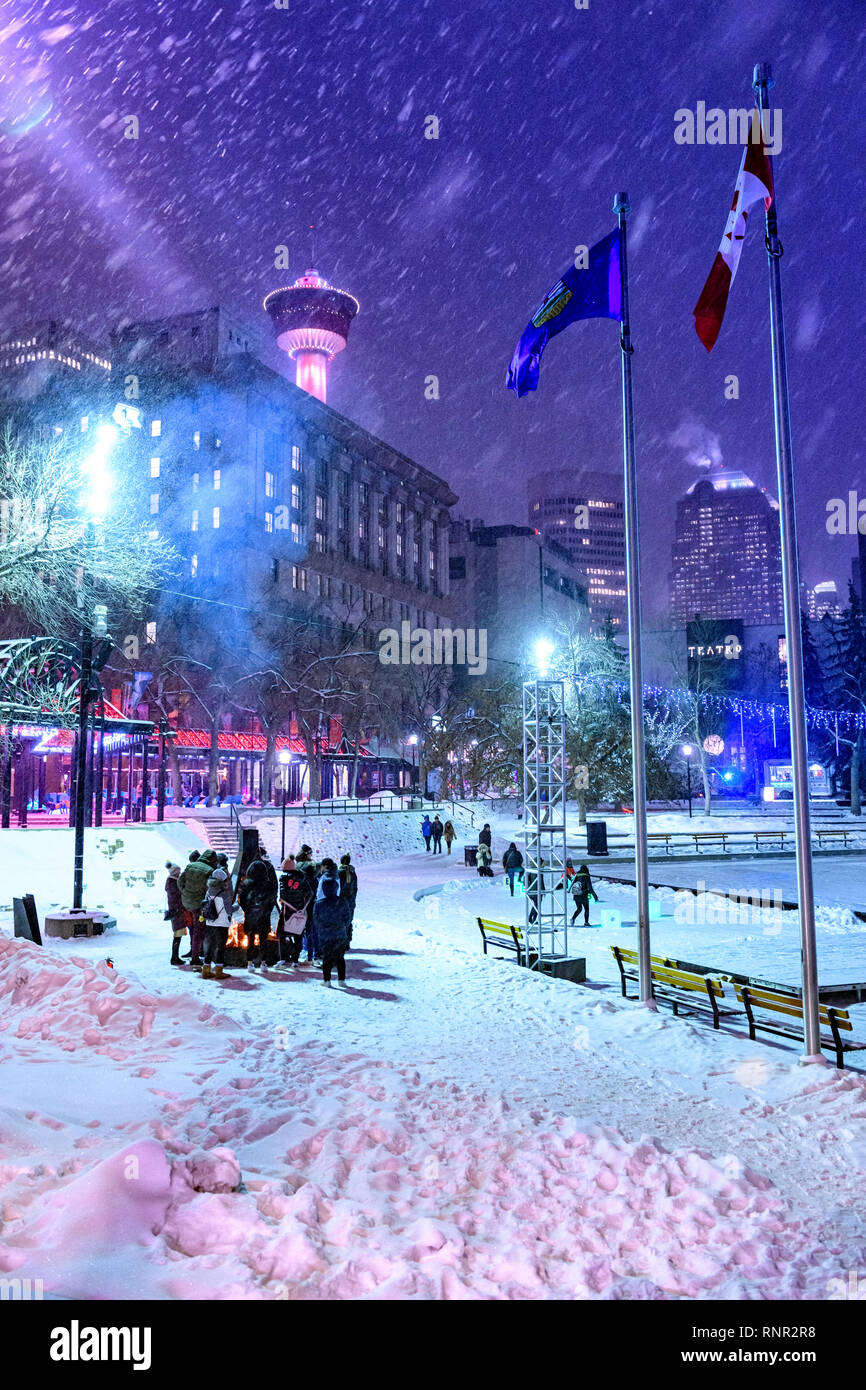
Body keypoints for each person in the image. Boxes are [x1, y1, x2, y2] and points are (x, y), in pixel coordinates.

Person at [178, 847, 218, 971]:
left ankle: (196, 952)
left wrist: (185, 893)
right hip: (199, 905)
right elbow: (210, 889)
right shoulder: (210, 870)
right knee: (198, 932)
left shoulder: (191, 866)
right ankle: (196, 957)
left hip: (187, 902)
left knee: (193, 929)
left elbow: (180, 881)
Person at [238, 858, 277, 971]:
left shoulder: (246, 884)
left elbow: (241, 900)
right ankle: (263, 963)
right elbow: (272, 900)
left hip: (250, 916)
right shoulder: (268, 885)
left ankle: (250, 963)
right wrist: (266, 911)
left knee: (250, 939)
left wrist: (247, 910)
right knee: (263, 940)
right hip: (264, 917)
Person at [314, 877, 351, 989]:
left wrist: (322, 929)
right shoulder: (342, 902)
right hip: (340, 934)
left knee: (326, 958)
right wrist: (342, 927)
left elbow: (316, 919)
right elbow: (347, 918)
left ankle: (327, 980)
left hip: (325, 935)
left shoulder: (319, 904)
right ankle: (341, 980)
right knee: (340, 957)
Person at [276, 855, 311, 968]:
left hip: (287, 911)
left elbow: (283, 895)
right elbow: (310, 893)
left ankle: (282, 960)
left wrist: (285, 902)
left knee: (281, 934)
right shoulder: (302, 877)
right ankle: (295, 960)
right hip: (299, 911)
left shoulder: (284, 878)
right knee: (298, 935)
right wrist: (303, 906)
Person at [201, 866, 233, 979]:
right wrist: (237, 907)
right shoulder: (224, 892)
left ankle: (206, 970)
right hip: (222, 923)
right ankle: (219, 971)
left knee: (209, 946)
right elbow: (229, 909)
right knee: (220, 947)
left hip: (210, 922)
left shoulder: (209, 890)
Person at [296, 845, 320, 964]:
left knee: (304, 928)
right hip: (311, 904)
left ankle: (306, 950)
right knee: (312, 929)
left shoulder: (299, 867)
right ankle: (313, 953)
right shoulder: (311, 873)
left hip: (302, 904)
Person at [164, 863, 187, 966]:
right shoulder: (172, 883)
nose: (180, 873)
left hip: (177, 911)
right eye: (178, 871)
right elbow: (177, 896)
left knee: (178, 934)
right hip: (177, 912)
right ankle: (174, 957)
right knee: (177, 935)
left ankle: (175, 957)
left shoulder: (173, 882)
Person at [338, 853, 358, 944]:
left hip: (340, 901)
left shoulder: (339, 873)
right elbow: (355, 888)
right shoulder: (353, 873)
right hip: (350, 901)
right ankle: (347, 941)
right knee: (348, 921)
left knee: (340, 921)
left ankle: (340, 941)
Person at [571, 862, 599, 926]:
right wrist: (595, 897)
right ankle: (586, 922)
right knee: (586, 909)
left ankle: (572, 919)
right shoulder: (586, 877)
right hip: (584, 895)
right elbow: (590, 888)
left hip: (576, 895)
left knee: (579, 908)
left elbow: (572, 885)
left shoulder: (577, 876)